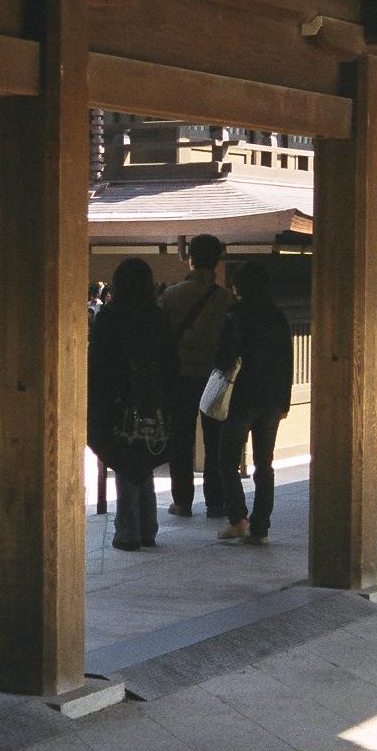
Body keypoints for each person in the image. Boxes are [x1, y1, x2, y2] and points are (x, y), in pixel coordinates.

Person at [88, 258, 177, 551]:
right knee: (145, 457)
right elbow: (170, 362)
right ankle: (148, 527)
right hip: (153, 400)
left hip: (118, 400)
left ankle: (128, 531)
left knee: (124, 459)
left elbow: (98, 364)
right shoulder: (158, 318)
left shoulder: (109, 317)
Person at [214, 261, 293, 545]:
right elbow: (287, 360)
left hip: (241, 397)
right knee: (264, 463)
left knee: (227, 460)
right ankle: (260, 528)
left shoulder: (235, 315)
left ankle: (238, 519)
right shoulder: (277, 316)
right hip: (271, 398)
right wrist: (284, 401)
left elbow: (223, 358)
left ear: (240, 286)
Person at [159, 234, 234, 518]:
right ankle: (216, 501)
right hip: (215, 377)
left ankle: (182, 500)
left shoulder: (171, 296)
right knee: (215, 440)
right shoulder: (227, 299)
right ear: (217, 262)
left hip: (180, 377)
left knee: (180, 438)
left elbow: (163, 339)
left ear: (190, 259)